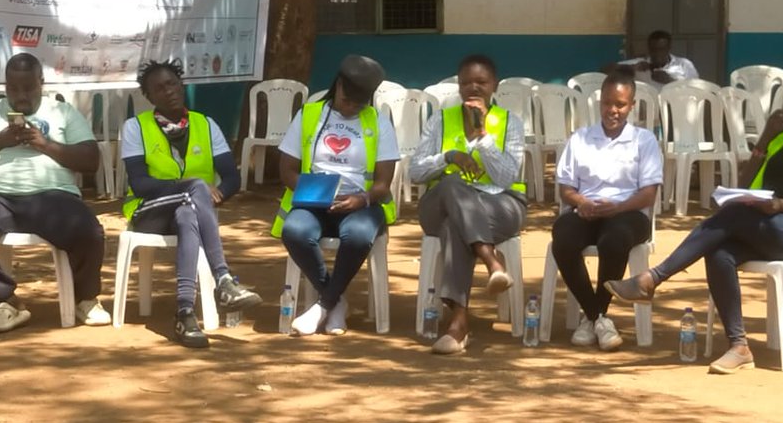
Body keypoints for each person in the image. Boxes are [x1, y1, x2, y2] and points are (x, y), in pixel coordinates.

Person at [606, 66, 783, 373]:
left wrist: (782, 204)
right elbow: (745, 185)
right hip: (773, 230)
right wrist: (764, 142)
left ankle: (653, 277)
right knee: (719, 251)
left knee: (735, 215)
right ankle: (739, 346)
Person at [0, 53, 110, 333]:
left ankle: (85, 299)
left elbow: (91, 160)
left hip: (52, 196)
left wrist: (45, 144)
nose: (20, 96)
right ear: (5, 86)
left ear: (41, 83)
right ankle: (6, 302)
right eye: (13, 89)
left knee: (89, 230)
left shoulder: (62, 112)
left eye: (28, 88)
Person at [121, 59, 261, 347]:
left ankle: (185, 313)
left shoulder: (205, 125)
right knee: (195, 188)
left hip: (188, 210)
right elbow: (139, 184)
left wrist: (216, 195)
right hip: (149, 212)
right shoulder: (136, 127)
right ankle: (223, 279)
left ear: (182, 85)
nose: (168, 91)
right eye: (159, 89)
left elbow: (232, 177)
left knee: (188, 215)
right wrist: (193, 189)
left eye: (172, 83)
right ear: (149, 98)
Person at [409, 54, 527, 354]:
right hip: (439, 203)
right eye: (466, 82)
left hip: (499, 205)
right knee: (452, 184)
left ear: (494, 85)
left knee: (455, 225)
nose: (473, 88)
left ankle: (458, 323)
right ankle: (491, 261)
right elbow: (416, 171)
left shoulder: (510, 123)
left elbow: (505, 177)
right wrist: (448, 157)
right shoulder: (440, 120)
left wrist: (483, 139)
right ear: (458, 86)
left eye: (481, 82)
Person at [273, 54, 397, 336]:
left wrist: (362, 199)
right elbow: (287, 171)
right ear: (337, 86)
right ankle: (335, 300)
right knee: (294, 230)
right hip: (315, 201)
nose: (351, 107)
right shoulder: (309, 115)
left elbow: (383, 183)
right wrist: (315, 193)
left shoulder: (379, 122)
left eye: (359, 103)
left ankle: (323, 304)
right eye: (346, 100)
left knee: (358, 235)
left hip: (361, 204)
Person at [550, 67, 663, 351]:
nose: (613, 110)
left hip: (628, 213)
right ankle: (598, 317)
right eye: (608, 103)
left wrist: (619, 208)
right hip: (587, 210)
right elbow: (566, 189)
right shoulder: (580, 138)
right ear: (599, 103)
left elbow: (648, 194)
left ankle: (593, 317)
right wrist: (582, 203)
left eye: (620, 105)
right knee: (562, 236)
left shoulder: (644, 140)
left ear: (632, 106)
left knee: (614, 240)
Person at [606, 30, 699, 85]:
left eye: (662, 49)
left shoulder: (683, 64)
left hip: (676, 110)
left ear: (669, 48)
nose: (658, 53)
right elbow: (604, 69)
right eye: (654, 49)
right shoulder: (641, 64)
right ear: (649, 49)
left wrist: (670, 81)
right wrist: (631, 68)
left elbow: (697, 89)